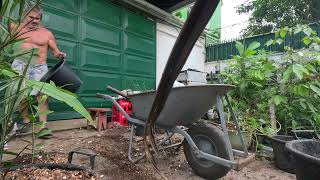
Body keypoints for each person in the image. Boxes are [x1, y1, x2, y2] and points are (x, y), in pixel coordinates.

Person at [10, 6, 66, 138]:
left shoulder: (46, 33)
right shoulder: (15, 28)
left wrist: (59, 54)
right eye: (31, 17)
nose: (35, 21)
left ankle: (43, 127)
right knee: (21, 95)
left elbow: (55, 51)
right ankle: (26, 120)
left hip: (40, 67)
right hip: (20, 65)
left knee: (42, 96)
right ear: (25, 16)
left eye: (37, 18)